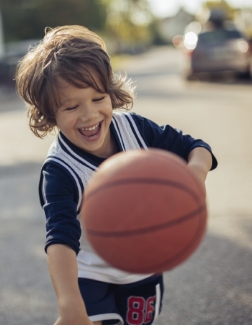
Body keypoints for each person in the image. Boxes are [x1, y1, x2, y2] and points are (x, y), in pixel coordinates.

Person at [15, 25, 218, 325]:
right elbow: (60, 239)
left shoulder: (134, 128)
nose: (89, 114)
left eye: (98, 98)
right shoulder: (60, 171)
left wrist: (193, 178)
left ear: (110, 93)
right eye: (72, 106)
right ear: (50, 114)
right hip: (90, 272)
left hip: (142, 264)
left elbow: (197, 148)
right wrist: (70, 304)